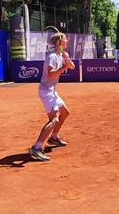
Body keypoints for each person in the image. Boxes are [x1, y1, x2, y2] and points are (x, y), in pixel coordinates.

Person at [28, 31, 75, 161]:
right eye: (65, 39)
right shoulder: (52, 57)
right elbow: (49, 75)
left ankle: (54, 138)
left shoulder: (61, 54)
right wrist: (64, 67)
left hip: (53, 91)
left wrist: (68, 63)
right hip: (46, 91)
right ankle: (36, 148)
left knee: (65, 113)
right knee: (54, 120)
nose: (67, 41)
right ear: (59, 42)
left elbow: (72, 66)